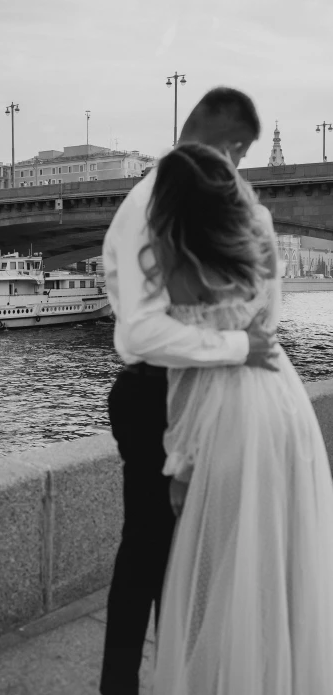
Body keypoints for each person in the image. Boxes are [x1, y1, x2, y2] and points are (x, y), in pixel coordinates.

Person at [99, 87, 278, 695]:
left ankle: (159, 676)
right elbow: (143, 331)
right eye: (242, 155)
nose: (239, 170)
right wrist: (238, 347)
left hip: (174, 391)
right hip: (157, 393)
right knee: (155, 555)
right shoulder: (161, 201)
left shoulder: (170, 195)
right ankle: (130, 683)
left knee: (167, 557)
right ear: (229, 145)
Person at [148, 143, 333, 694]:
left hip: (229, 418)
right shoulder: (260, 238)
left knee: (218, 575)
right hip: (285, 404)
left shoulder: (183, 259)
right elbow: (268, 324)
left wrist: (180, 465)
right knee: (281, 565)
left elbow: (186, 374)